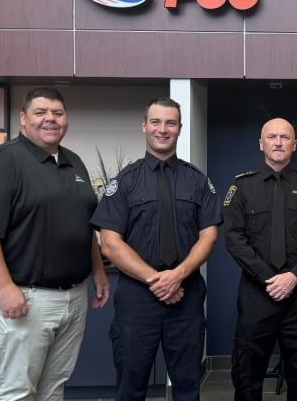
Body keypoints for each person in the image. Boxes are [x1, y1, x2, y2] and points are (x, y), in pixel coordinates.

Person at [0, 87, 111, 401]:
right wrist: (4, 288)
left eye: (57, 113)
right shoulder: (3, 162)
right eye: (41, 113)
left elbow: (85, 224)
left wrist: (97, 271)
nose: (50, 119)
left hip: (73, 296)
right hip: (26, 296)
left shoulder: (74, 162)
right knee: (18, 390)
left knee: (52, 388)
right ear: (23, 119)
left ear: (66, 119)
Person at [90, 97, 222, 401]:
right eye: (156, 122)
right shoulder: (123, 182)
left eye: (170, 123)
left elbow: (209, 238)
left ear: (179, 129)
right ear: (144, 126)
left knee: (188, 387)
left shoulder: (197, 180)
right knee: (130, 387)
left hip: (186, 297)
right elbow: (110, 244)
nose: (163, 129)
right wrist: (157, 280)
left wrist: (177, 276)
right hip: (137, 300)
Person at [223, 117, 297, 401]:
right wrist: (268, 278)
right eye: (272, 137)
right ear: (261, 144)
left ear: (294, 145)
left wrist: (293, 275)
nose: (278, 143)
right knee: (248, 376)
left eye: (285, 137)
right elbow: (234, 238)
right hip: (257, 293)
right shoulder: (242, 188)